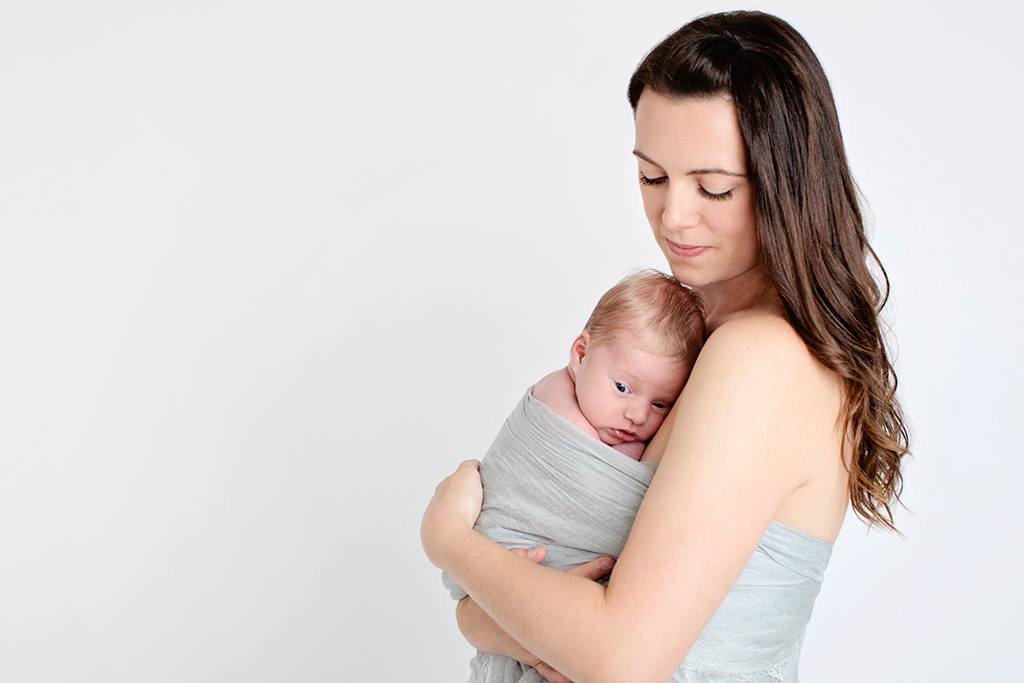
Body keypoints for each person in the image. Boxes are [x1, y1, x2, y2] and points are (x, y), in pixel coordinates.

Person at [421, 9, 910, 683]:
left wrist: (448, 542)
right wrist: (488, 613)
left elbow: (618, 657)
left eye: (714, 187)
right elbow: (507, 611)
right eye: (652, 176)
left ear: (784, 184)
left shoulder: (760, 358)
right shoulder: (694, 339)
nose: (673, 216)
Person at [534, 268, 705, 462]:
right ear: (581, 354)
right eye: (622, 388)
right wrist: (634, 449)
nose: (638, 416)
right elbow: (592, 468)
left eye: (659, 404)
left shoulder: (602, 412)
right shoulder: (553, 396)